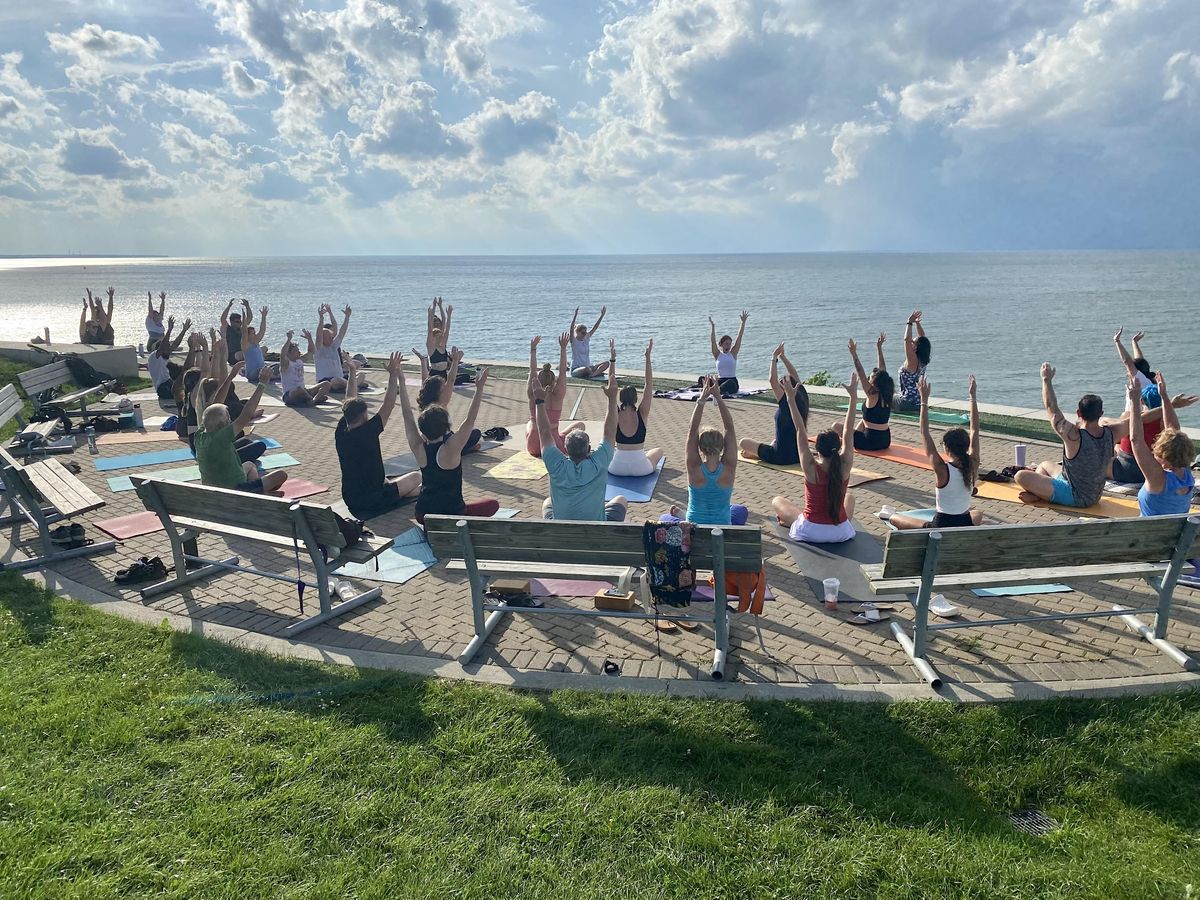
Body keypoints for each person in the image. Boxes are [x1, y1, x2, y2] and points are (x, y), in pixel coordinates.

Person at [535, 340, 627, 522]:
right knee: (621, 500)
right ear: (589, 448)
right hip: (596, 528)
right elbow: (610, 432)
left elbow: (544, 434)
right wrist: (611, 398)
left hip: (562, 530)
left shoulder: (556, 464)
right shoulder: (599, 461)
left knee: (547, 502)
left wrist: (539, 402)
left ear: (566, 450)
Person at [1014, 363, 1127, 508]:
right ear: (1101, 414)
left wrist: (1046, 380)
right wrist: (1156, 402)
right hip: (1095, 494)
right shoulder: (1112, 432)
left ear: (1078, 413)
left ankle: (1041, 497)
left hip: (1076, 496)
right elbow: (1138, 420)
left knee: (1020, 476)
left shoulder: (1074, 435)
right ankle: (1038, 494)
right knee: (1044, 465)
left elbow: (1051, 408)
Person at [400, 366, 499, 525]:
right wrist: (479, 388)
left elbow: (407, 415)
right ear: (446, 427)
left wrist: (400, 379)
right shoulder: (451, 448)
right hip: (453, 514)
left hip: (423, 514)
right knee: (493, 505)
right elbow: (470, 419)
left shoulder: (418, 447)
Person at [884, 376, 984, 529]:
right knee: (977, 514)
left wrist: (923, 400)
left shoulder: (941, 468)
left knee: (895, 518)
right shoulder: (973, 462)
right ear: (966, 446)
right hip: (963, 522)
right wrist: (973, 397)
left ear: (947, 448)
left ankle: (890, 516)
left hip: (940, 525)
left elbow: (924, 432)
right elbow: (974, 430)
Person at [771, 374, 858, 544]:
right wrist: (853, 397)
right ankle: (797, 520)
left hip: (811, 531)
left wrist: (790, 398)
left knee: (777, 501)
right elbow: (848, 431)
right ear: (838, 446)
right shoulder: (845, 465)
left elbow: (799, 430)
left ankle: (790, 521)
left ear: (816, 449)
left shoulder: (810, 466)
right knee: (850, 497)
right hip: (840, 532)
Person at [335, 353, 421, 519]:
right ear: (364, 417)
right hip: (374, 499)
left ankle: (400, 490)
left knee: (403, 485)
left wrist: (353, 372)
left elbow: (349, 400)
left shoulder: (341, 430)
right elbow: (388, 405)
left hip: (350, 498)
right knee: (416, 477)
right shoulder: (367, 432)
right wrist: (392, 375)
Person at [1110, 329, 1197, 484]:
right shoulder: (1150, 381)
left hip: (1134, 463)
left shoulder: (1139, 381)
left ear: (1143, 402)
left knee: (1116, 437)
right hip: (1151, 462)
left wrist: (1117, 341)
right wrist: (1134, 343)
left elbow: (1127, 361)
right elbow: (1139, 360)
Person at [660, 375, 747, 526]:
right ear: (722, 447)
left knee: (663, 518)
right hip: (722, 528)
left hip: (694, 530)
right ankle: (683, 515)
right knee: (741, 511)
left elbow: (692, 430)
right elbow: (729, 428)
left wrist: (702, 399)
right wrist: (718, 398)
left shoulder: (694, 467)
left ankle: (682, 516)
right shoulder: (729, 467)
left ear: (700, 447)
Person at [195, 366, 287, 494]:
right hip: (234, 491)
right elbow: (246, 415)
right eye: (228, 419)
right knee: (281, 475)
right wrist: (262, 384)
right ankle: (256, 495)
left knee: (249, 465)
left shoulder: (199, 435)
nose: (230, 421)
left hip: (212, 489)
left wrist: (230, 377)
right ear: (223, 425)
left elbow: (213, 410)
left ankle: (259, 493)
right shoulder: (221, 437)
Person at [1129, 373, 1196, 517]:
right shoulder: (1187, 475)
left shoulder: (1157, 478)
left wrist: (1134, 401)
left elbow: (1136, 440)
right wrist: (1164, 397)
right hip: (1174, 536)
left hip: (1147, 537)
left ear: (1165, 458)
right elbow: (1173, 429)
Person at [185, 357, 267, 464]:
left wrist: (221, 355)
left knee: (246, 441)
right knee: (259, 446)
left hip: (209, 452)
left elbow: (219, 392)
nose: (220, 394)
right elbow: (246, 415)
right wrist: (262, 384)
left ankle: (230, 454)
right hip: (219, 461)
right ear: (210, 397)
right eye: (216, 392)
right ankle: (230, 458)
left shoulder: (204, 420)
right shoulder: (213, 420)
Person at [740, 343, 809, 464]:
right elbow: (794, 375)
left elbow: (772, 380)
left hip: (781, 457)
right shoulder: (802, 395)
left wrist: (774, 357)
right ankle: (759, 454)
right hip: (799, 454)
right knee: (774, 441)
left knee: (743, 443)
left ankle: (759, 455)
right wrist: (783, 357)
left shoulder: (787, 401)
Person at [609, 340, 664, 477]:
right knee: (658, 451)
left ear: (621, 398)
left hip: (616, 467)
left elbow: (612, 383)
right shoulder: (642, 412)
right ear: (635, 399)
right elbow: (649, 384)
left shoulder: (615, 412)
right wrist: (647, 358)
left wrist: (612, 360)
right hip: (641, 468)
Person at [525, 334, 585, 458]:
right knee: (580, 426)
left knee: (530, 424)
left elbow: (532, 371)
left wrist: (533, 350)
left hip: (533, 446)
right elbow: (563, 372)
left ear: (537, 381)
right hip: (554, 447)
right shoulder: (557, 396)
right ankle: (561, 435)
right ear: (553, 382)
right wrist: (563, 348)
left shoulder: (532, 394)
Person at [839, 333, 894, 451]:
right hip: (885, 440)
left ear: (874, 383)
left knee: (836, 426)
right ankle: (849, 439)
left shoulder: (872, 395)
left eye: (871, 377)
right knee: (863, 421)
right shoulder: (886, 393)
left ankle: (844, 442)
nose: (869, 377)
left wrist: (853, 353)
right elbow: (882, 370)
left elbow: (860, 372)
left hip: (871, 442)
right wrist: (879, 349)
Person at [314, 303, 364, 392]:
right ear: (323, 338)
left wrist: (347, 317)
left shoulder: (333, 346)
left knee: (361, 374)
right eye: (329, 337)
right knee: (337, 380)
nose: (332, 338)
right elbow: (318, 335)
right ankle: (352, 385)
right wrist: (321, 318)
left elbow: (342, 332)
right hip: (326, 381)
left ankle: (351, 385)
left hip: (340, 378)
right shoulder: (319, 349)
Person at [279, 330, 333, 408]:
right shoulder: (286, 364)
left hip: (304, 391)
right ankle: (313, 399)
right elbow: (282, 354)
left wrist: (309, 339)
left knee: (326, 384)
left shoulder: (299, 361)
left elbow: (311, 351)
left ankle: (313, 400)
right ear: (289, 353)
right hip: (290, 395)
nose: (299, 352)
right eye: (297, 351)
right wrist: (288, 339)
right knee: (299, 389)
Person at [147, 314, 191, 401]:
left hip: (169, 383)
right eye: (167, 348)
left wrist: (184, 330)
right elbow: (163, 345)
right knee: (178, 394)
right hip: (162, 387)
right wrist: (169, 329)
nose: (169, 350)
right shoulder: (154, 357)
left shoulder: (164, 355)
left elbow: (175, 344)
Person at [706, 310, 748, 396]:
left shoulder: (733, 353)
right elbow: (713, 341)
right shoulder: (717, 354)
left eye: (729, 344)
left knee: (729, 383)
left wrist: (743, 322)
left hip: (732, 382)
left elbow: (739, 336)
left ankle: (715, 390)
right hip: (720, 381)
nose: (728, 346)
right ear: (721, 345)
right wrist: (713, 327)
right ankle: (714, 389)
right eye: (726, 344)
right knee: (704, 379)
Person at [895, 310, 930, 412]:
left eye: (913, 342)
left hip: (907, 403)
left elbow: (906, 339)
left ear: (916, 348)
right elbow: (922, 339)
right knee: (892, 392)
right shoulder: (923, 359)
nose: (911, 342)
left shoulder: (912, 360)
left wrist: (909, 322)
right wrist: (917, 324)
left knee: (884, 395)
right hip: (919, 401)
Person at [568, 305, 608, 378]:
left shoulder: (586, 338)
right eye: (583, 333)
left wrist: (602, 315)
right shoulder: (574, 341)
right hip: (576, 369)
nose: (585, 334)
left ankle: (592, 375)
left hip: (588, 367)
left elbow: (595, 327)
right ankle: (594, 374)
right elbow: (571, 329)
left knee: (606, 363)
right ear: (577, 332)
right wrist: (575, 315)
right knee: (586, 369)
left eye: (585, 333)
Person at [239, 300, 274, 383]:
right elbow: (244, 332)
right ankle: (270, 375)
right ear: (247, 335)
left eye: (254, 333)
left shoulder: (256, 342)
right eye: (252, 333)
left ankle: (270, 374)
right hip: (252, 373)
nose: (255, 335)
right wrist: (244, 320)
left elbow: (262, 330)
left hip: (262, 369)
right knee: (264, 371)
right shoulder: (245, 345)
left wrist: (263, 317)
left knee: (278, 367)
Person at [424, 297, 455, 380]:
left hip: (444, 373)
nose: (439, 338)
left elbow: (447, 328)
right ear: (433, 338)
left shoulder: (442, 345)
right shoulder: (431, 347)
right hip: (435, 374)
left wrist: (449, 315)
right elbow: (430, 329)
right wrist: (433, 308)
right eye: (437, 337)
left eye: (440, 336)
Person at [221, 298, 244, 364]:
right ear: (231, 321)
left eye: (240, 321)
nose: (240, 323)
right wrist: (229, 306)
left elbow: (250, 318)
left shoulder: (241, 330)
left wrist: (247, 307)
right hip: (232, 356)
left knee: (263, 349)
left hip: (242, 353)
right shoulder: (229, 329)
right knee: (244, 353)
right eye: (237, 322)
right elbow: (223, 319)